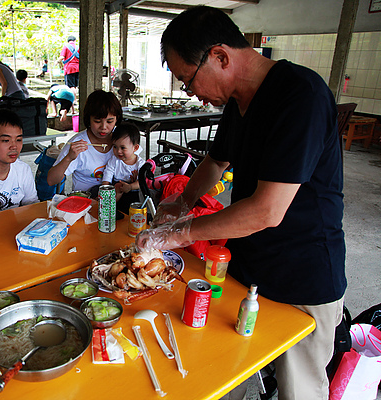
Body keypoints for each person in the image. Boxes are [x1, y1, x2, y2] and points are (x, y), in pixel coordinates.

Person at [137, 6, 346, 400]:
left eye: (188, 80)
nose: (191, 93)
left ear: (220, 56)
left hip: (303, 276)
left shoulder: (300, 96)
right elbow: (216, 161)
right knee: (229, 369)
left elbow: (267, 210)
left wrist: (178, 234)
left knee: (298, 388)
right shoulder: (237, 101)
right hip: (247, 268)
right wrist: (182, 201)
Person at [47, 90, 122, 196]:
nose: (104, 127)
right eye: (97, 121)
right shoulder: (77, 143)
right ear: (88, 119)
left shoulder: (121, 138)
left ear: (117, 119)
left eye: (110, 121)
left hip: (115, 199)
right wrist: (68, 158)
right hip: (85, 201)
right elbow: (51, 180)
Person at [101, 122, 145, 212]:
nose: (118, 151)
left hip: (133, 190)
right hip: (117, 187)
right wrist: (104, 187)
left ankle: (109, 207)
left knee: (133, 205)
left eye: (123, 148)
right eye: (115, 147)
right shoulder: (115, 160)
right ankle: (108, 207)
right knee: (117, 186)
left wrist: (130, 187)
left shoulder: (140, 163)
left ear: (135, 148)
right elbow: (108, 172)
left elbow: (142, 182)